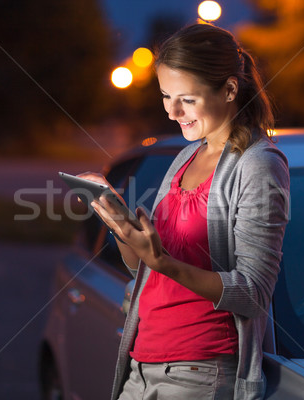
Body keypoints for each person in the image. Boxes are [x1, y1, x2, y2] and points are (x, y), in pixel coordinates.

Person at [80, 23, 289, 400]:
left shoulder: (257, 164)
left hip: (200, 371)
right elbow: (146, 270)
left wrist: (163, 263)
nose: (173, 111)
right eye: (165, 96)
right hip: (141, 363)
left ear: (229, 89)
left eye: (187, 99)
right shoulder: (185, 156)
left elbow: (254, 293)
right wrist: (122, 227)